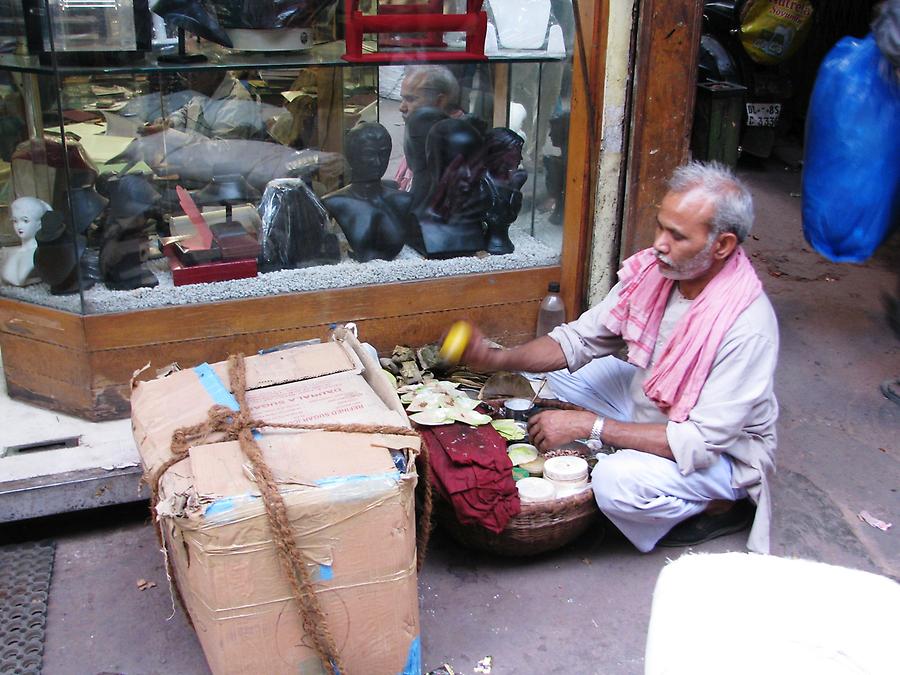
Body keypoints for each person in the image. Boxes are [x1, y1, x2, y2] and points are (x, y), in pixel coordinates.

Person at [460, 161, 779, 554]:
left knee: (615, 481)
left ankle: (716, 507)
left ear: (723, 246)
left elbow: (697, 442)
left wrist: (591, 426)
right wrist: (497, 358)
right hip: (650, 403)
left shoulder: (748, 327)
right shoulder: (657, 271)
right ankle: (628, 444)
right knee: (549, 373)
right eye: (661, 225)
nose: (660, 242)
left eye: (677, 236)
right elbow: (576, 341)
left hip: (719, 453)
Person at [394, 65, 465, 190]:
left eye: (410, 99)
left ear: (440, 101)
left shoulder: (457, 145)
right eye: (402, 98)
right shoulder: (424, 133)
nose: (402, 107)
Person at [1, 196, 51, 286]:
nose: (19, 226)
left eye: (25, 221)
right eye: (15, 221)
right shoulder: (10, 252)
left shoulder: (41, 254)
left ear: (39, 224)